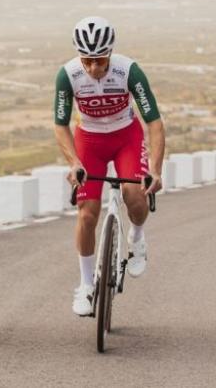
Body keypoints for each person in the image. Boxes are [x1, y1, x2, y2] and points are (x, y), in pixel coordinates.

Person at [54, 16, 165, 316]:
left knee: (134, 196)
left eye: (100, 60)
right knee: (87, 214)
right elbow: (60, 125)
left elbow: (154, 122)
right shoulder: (68, 75)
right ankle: (85, 284)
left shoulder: (129, 71)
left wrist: (155, 170)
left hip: (125, 136)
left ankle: (137, 238)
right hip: (89, 140)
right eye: (87, 60)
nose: (93, 68)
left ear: (110, 53)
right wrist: (74, 161)